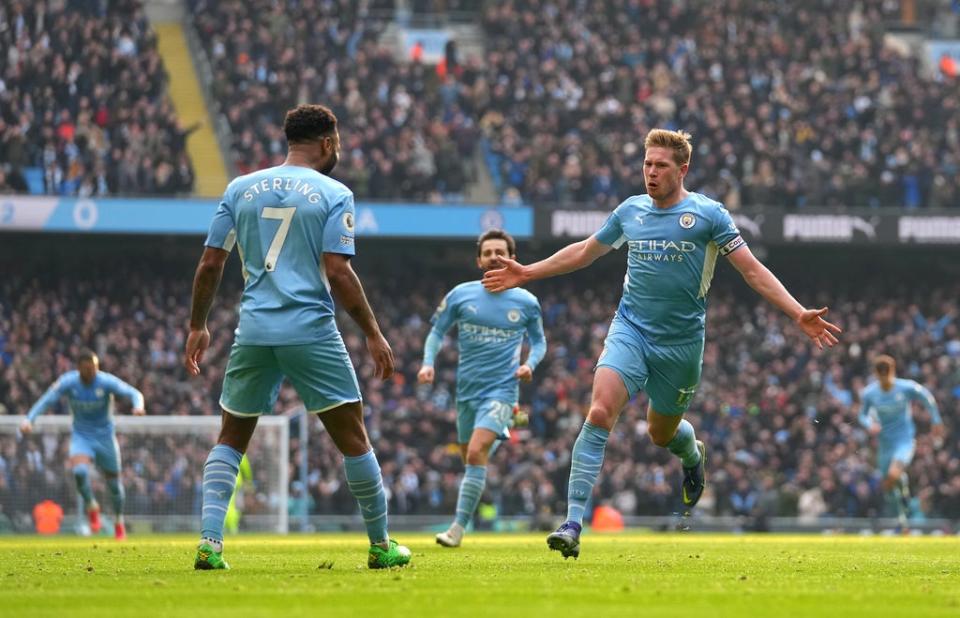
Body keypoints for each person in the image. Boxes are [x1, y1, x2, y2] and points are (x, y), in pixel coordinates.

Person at [483, 129, 841, 559]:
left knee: (660, 433)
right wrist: (527, 272)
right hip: (630, 329)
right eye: (647, 164)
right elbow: (584, 251)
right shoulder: (630, 211)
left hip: (682, 344)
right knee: (599, 411)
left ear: (682, 170)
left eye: (661, 166)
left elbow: (752, 270)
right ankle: (573, 523)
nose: (650, 173)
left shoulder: (709, 215)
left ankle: (692, 455)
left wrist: (796, 311)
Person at [185, 103, 410, 570]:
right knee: (353, 437)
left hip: (254, 330)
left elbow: (210, 263)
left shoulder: (240, 188)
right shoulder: (334, 192)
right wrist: (372, 332)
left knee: (231, 437)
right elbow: (338, 271)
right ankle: (381, 545)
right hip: (310, 329)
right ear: (327, 143)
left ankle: (209, 543)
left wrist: (197, 325)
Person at [418, 230, 546, 547]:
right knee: (472, 460)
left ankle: (457, 530)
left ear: (511, 259)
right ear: (479, 260)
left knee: (475, 452)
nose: (492, 256)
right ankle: (505, 426)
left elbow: (540, 342)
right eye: (487, 252)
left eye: (499, 251)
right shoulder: (461, 295)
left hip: (502, 390)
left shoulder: (527, 301)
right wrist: (427, 361)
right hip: (467, 393)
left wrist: (530, 365)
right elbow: (437, 332)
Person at [20, 350, 145, 540]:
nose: (92, 371)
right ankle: (91, 505)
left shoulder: (105, 381)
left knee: (114, 487)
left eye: (95, 367)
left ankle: (119, 520)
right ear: (79, 369)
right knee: (79, 472)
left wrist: (138, 406)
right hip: (81, 436)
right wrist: (30, 419)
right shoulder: (69, 382)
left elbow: (133, 392)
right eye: (88, 368)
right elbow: (46, 400)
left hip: (105, 437)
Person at [857, 354, 945, 528]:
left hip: (904, 441)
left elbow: (927, 397)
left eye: (887, 375)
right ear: (876, 374)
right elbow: (862, 415)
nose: (885, 379)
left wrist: (936, 419)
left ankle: (903, 500)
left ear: (893, 372)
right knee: (888, 485)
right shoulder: (870, 393)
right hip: (885, 444)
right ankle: (902, 520)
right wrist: (869, 424)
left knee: (892, 474)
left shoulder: (905, 387)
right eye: (881, 376)